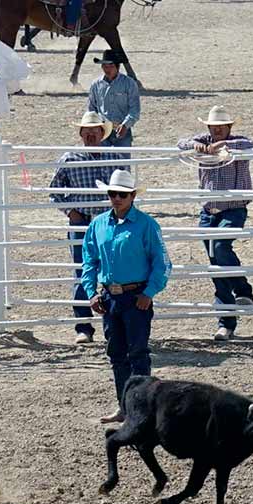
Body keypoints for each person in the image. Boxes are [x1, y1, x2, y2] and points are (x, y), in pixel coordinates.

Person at [80, 170, 171, 424]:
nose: (116, 198)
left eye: (121, 194)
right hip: (110, 297)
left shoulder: (147, 225)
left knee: (138, 353)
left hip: (136, 296)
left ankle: (141, 408)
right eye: (112, 193)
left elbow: (162, 264)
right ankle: (125, 406)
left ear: (132, 196)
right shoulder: (98, 225)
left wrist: (149, 292)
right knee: (117, 353)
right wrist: (91, 292)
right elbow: (89, 261)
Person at [177, 106, 253, 341]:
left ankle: (241, 291)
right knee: (215, 263)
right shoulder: (202, 141)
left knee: (220, 247)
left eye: (221, 126)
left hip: (234, 209)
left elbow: (250, 145)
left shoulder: (237, 142)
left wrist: (221, 147)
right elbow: (181, 143)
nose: (217, 129)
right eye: (213, 126)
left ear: (229, 127)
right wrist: (197, 146)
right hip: (208, 210)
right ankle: (227, 319)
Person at [49, 112, 127, 344]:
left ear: (101, 133)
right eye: (87, 131)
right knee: (83, 273)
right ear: (81, 134)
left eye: (95, 130)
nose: (91, 134)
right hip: (82, 220)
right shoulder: (69, 158)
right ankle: (83, 326)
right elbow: (54, 191)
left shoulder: (114, 158)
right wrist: (69, 211)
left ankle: (110, 325)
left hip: (108, 221)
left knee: (110, 272)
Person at [87, 49, 140, 157]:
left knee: (123, 165)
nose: (107, 69)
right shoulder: (96, 85)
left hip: (122, 130)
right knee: (100, 164)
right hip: (101, 131)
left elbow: (135, 109)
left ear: (117, 67)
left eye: (110, 66)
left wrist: (125, 125)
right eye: (105, 66)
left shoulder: (129, 83)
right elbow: (92, 109)